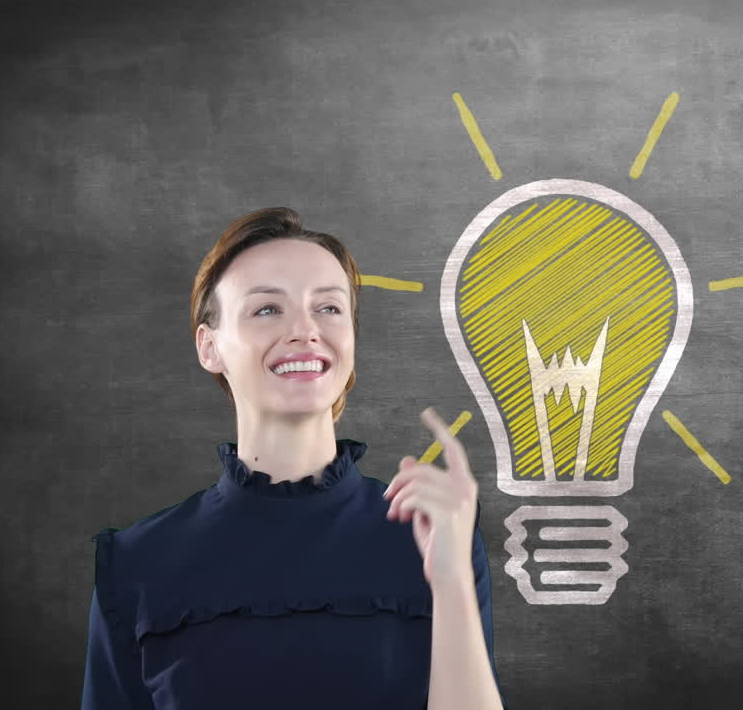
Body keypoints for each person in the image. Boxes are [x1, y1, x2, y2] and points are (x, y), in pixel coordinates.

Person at [80, 207, 509, 709]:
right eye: (267, 309)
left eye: (328, 308)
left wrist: (453, 582)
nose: (305, 331)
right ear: (209, 346)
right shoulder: (137, 563)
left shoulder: (432, 535)